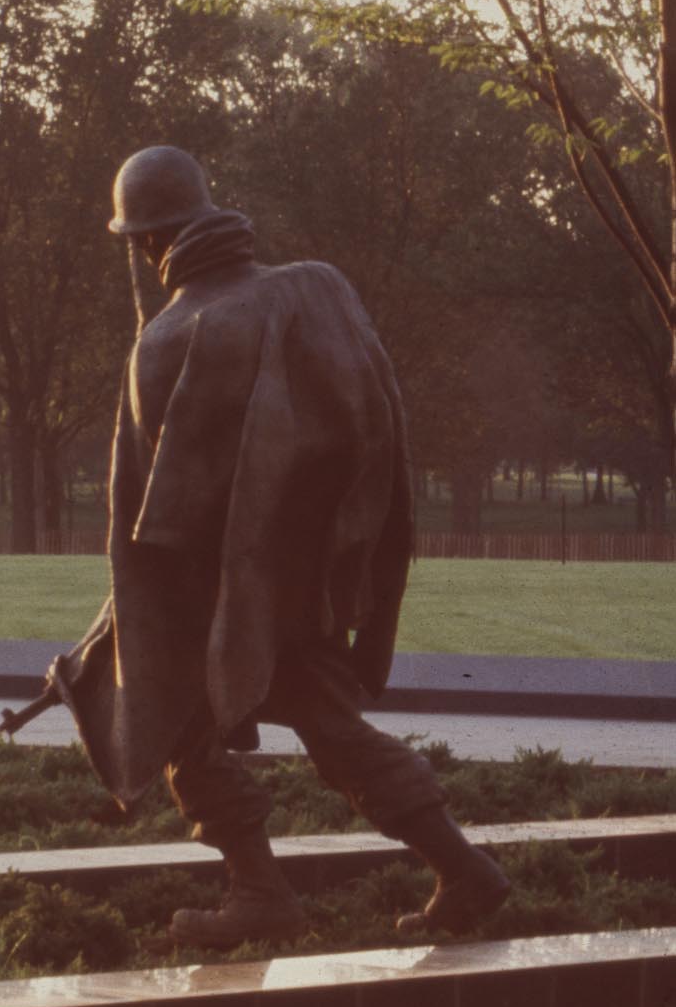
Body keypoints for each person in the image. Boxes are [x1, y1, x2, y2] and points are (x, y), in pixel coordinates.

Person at [44, 142, 509, 951]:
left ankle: (262, 892)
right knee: (332, 726)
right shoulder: (316, 286)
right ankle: (462, 869)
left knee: (178, 720)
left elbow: (165, 535)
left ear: (146, 241)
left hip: (225, 596)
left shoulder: (167, 341)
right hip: (311, 579)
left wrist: (111, 648)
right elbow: (371, 432)